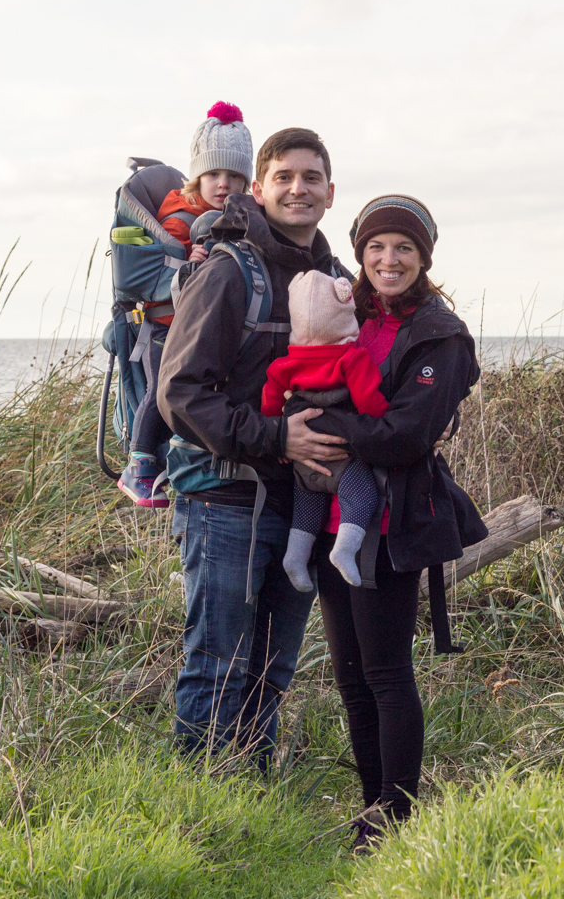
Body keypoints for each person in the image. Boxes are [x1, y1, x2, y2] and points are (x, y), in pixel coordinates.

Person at [284, 194, 487, 849]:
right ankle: (372, 809)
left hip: (388, 524)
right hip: (329, 525)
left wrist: (322, 425)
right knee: (350, 677)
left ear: (424, 256)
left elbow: (405, 434)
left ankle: (396, 819)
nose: (388, 259)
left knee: (387, 673)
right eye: (375, 248)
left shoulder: (439, 333)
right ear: (361, 255)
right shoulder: (355, 313)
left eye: (403, 248)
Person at [157, 128, 351, 765]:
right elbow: (181, 393)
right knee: (218, 664)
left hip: (301, 503)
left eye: (312, 178)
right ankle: (198, 814)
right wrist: (276, 436)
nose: (299, 188)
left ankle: (249, 800)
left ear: (329, 193)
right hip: (224, 496)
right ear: (260, 188)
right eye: (285, 177)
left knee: (273, 666)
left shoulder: (336, 278)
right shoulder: (227, 271)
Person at [117, 102, 253, 508]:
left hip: (196, 325)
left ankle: (170, 462)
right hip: (165, 323)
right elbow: (170, 257)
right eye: (213, 174)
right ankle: (138, 463)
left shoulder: (232, 215)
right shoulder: (180, 215)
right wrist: (188, 258)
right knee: (163, 390)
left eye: (234, 176)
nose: (223, 183)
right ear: (197, 177)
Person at [261, 270, 388, 590]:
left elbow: (269, 405)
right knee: (362, 495)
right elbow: (368, 401)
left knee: (307, 508)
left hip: (301, 458)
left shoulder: (284, 364)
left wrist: (277, 440)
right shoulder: (351, 358)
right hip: (341, 459)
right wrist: (386, 420)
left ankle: (295, 557)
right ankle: (344, 551)